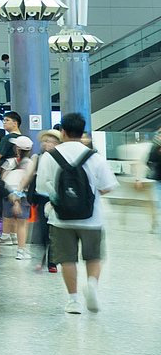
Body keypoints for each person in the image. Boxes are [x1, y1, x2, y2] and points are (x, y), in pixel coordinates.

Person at [34, 111, 112, 313]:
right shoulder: (94, 157)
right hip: (92, 217)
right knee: (93, 256)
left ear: (63, 132)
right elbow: (107, 187)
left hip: (60, 218)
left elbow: (42, 188)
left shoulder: (50, 157)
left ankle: (73, 301)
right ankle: (92, 285)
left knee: (67, 259)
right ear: (82, 131)